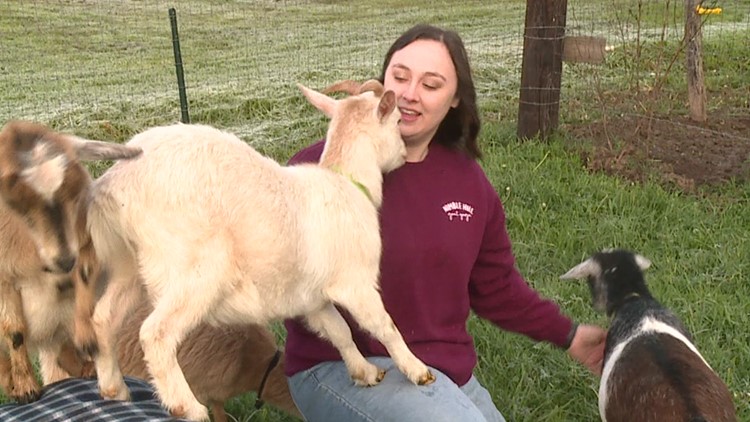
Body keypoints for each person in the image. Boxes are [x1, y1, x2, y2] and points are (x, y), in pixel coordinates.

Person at [283, 23, 607, 422]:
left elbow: (498, 288)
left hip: (442, 372)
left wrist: (570, 335)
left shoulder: (468, 183)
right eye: (399, 77)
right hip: (341, 367)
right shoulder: (315, 171)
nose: (408, 94)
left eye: (431, 84)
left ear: (455, 99)